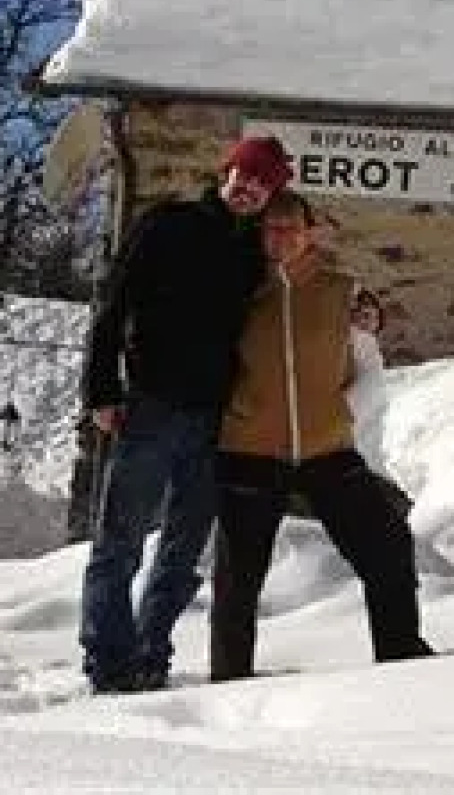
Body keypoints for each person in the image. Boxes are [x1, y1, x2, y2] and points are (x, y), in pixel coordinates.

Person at [78, 134, 292, 693]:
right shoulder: (167, 223)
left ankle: (151, 655)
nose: (251, 190)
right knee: (119, 543)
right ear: (226, 171)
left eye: (264, 184)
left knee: (182, 550)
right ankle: (108, 662)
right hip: (149, 405)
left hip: (212, 421)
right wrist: (101, 391)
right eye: (246, 177)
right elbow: (113, 304)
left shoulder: (252, 253)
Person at [209, 191, 435, 682]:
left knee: (388, 544)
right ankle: (228, 680)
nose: (281, 238)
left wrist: (336, 414)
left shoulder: (344, 293)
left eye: (292, 227)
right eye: (271, 228)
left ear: (310, 233)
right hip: (249, 450)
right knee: (238, 578)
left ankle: (402, 659)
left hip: (326, 449)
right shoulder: (236, 292)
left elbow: (370, 372)